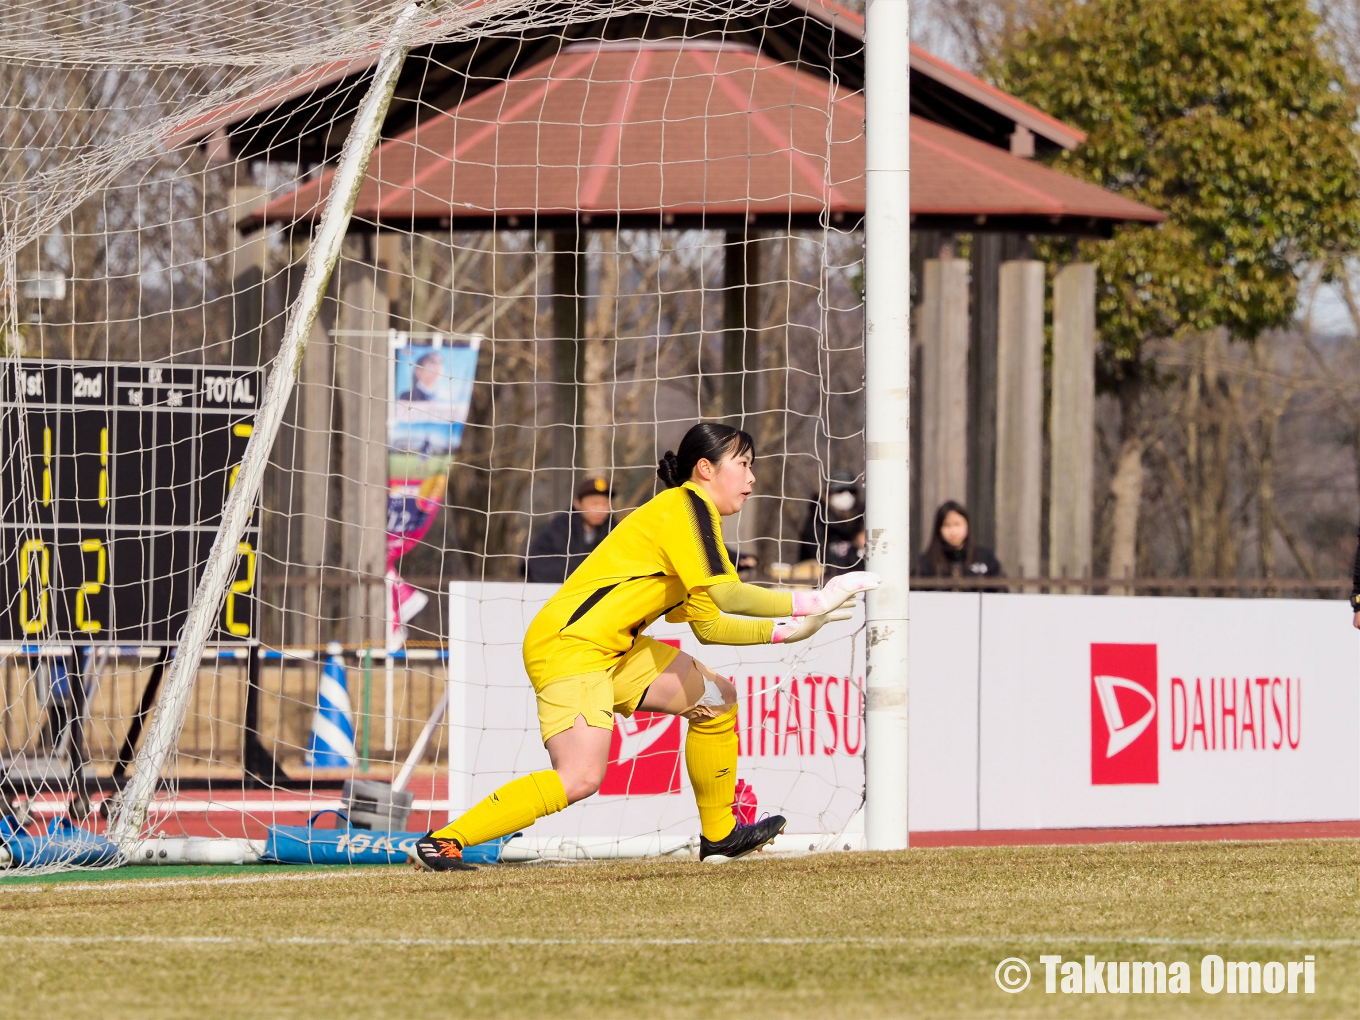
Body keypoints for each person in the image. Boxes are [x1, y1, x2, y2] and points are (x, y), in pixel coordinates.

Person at [411, 422, 880, 870]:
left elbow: (710, 626)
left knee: (717, 698)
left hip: (614, 649)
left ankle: (719, 836)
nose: (753, 477)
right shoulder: (686, 507)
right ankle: (445, 840)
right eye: (744, 463)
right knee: (582, 778)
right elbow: (729, 595)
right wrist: (812, 599)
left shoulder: (697, 519)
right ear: (706, 469)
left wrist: (788, 630)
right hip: (570, 645)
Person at [525, 476, 614, 583]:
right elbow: (537, 563)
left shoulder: (614, 530)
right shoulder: (558, 528)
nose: (601, 509)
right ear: (577, 503)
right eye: (594, 503)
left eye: (605, 503)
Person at [916, 500, 1003, 590]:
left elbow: (1001, 591)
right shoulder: (927, 562)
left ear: (967, 525)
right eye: (947, 525)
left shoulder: (984, 557)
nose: (953, 531)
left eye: (957, 524)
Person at [797, 470, 866, 578]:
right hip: (821, 582)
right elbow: (814, 557)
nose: (846, 495)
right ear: (829, 493)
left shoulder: (861, 519)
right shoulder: (816, 522)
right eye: (840, 490)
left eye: (851, 491)